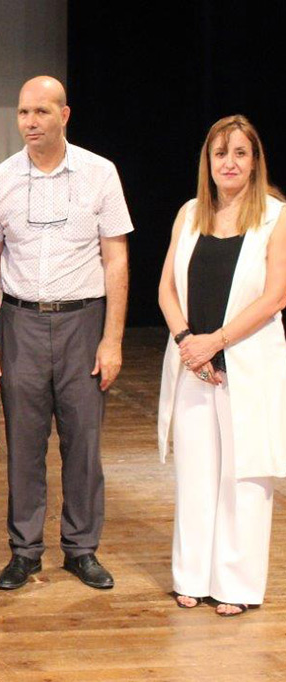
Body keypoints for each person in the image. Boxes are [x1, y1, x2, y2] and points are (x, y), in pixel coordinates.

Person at [0, 76, 132, 591]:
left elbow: (116, 259)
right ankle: (24, 551)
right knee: (23, 443)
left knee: (83, 442)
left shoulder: (100, 173)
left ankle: (81, 548)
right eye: (23, 112)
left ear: (64, 115)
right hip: (18, 322)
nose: (30, 122)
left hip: (82, 322)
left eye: (41, 111)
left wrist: (112, 339)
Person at [157, 115, 286, 617]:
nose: (228, 163)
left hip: (246, 364)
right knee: (195, 475)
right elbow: (167, 289)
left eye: (239, 153)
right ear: (207, 162)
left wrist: (217, 341)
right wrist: (188, 342)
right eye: (219, 153)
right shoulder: (190, 213)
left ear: (254, 161)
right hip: (194, 363)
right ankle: (191, 576)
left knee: (244, 477)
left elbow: (275, 296)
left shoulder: (275, 216)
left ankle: (236, 583)